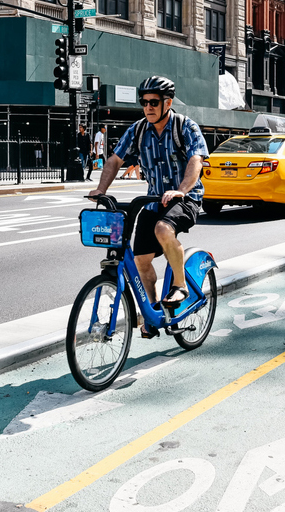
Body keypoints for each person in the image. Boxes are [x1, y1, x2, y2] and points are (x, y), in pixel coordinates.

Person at [88, 76, 208, 337]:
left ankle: (180, 284)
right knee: (140, 260)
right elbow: (114, 160)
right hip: (154, 201)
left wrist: (181, 190)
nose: (148, 107)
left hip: (186, 198)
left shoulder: (185, 127)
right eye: (144, 102)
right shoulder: (138, 130)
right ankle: (153, 313)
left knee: (164, 229)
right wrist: (101, 191)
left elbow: (196, 161)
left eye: (154, 102)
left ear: (168, 102)